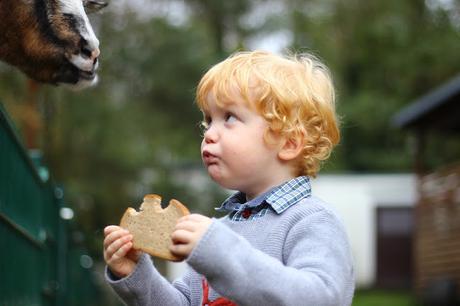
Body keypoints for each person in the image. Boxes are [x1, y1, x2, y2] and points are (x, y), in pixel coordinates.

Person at [103, 50, 355, 306]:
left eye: (229, 117)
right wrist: (136, 273)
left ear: (289, 142)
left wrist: (219, 252)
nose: (209, 134)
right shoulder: (219, 231)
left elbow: (321, 298)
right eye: (208, 121)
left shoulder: (312, 221)